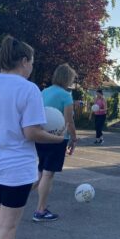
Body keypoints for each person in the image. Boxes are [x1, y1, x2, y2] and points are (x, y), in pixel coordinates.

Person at [0, 35, 64, 239]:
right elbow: (31, 132)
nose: (32, 66)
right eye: (32, 61)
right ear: (24, 60)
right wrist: (59, 139)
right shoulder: (28, 88)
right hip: (13, 171)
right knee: (8, 227)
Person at [33, 63, 78, 222]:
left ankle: (17, 196)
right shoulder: (66, 96)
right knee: (48, 173)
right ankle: (40, 210)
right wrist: (73, 138)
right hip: (57, 137)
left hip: (41, 135)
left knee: (40, 170)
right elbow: (69, 121)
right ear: (67, 78)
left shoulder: (43, 92)